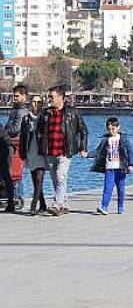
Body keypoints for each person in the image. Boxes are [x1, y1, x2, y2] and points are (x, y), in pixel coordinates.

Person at [35, 85, 89, 216]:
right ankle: (64, 204)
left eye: (51, 97)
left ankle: (56, 204)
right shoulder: (46, 113)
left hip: (65, 151)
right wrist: (40, 145)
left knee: (60, 176)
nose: (49, 99)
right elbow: (39, 130)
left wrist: (83, 148)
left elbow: (83, 131)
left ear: (61, 97)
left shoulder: (72, 112)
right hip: (50, 151)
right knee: (56, 179)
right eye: (49, 96)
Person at [88, 118, 133, 215]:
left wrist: (131, 164)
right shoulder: (106, 140)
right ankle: (104, 206)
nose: (111, 131)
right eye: (109, 129)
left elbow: (130, 151)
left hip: (121, 168)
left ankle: (120, 205)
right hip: (109, 167)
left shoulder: (123, 139)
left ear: (118, 127)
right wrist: (87, 154)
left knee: (120, 188)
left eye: (113, 129)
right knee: (107, 187)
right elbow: (98, 151)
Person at [19, 95, 49, 215]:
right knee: (34, 180)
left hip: (42, 151)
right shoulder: (26, 119)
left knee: (39, 178)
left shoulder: (45, 117)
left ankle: (33, 204)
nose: (36, 104)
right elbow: (22, 138)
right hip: (30, 151)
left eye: (39, 102)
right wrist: (22, 154)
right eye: (34, 102)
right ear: (30, 103)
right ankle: (43, 204)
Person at [1, 126, 16, 213]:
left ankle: (11, 203)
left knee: (6, 176)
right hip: (6, 146)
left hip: (6, 147)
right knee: (6, 176)